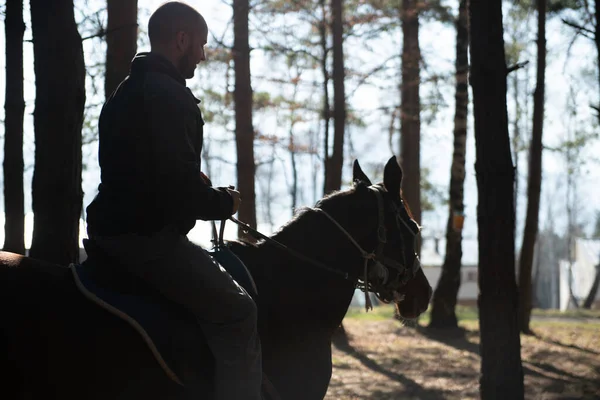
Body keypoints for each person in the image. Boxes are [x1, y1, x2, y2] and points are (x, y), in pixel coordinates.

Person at [84, 2, 263, 399]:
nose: (201, 55)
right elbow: (176, 191)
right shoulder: (168, 95)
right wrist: (225, 203)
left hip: (110, 228)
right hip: (146, 239)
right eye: (199, 44)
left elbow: (145, 170)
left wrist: (189, 180)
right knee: (240, 313)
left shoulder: (127, 90)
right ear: (180, 39)